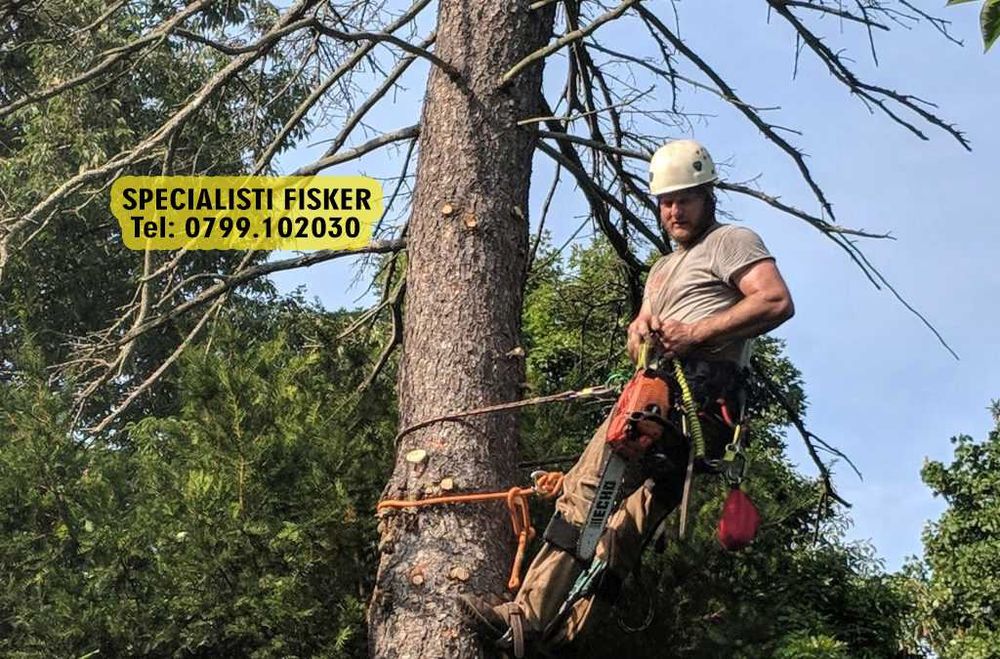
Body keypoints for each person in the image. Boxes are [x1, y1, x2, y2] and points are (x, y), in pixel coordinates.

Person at [459, 139, 794, 655]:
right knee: (621, 530)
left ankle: (524, 618)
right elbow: (642, 333)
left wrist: (696, 332)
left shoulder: (731, 241)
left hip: (685, 405)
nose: (674, 211)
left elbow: (774, 300)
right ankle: (560, 639)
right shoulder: (662, 269)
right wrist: (641, 330)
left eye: (685, 198)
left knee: (584, 496)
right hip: (663, 400)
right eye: (666, 202)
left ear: (708, 196)